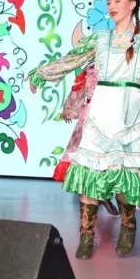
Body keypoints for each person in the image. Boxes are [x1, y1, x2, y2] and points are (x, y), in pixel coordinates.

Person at [27, 0, 140, 259]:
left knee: (124, 177)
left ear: (132, 5)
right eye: (109, 2)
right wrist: (42, 74)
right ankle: (86, 236)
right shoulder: (100, 38)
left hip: (131, 112)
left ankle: (128, 227)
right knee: (90, 174)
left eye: (117, 1)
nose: (111, 6)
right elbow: (72, 59)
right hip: (101, 110)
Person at [55, 64, 118, 216]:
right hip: (95, 114)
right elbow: (78, 91)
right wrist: (69, 111)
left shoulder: (111, 65)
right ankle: (93, 198)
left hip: (108, 114)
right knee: (84, 155)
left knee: (103, 156)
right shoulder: (91, 69)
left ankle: (103, 196)